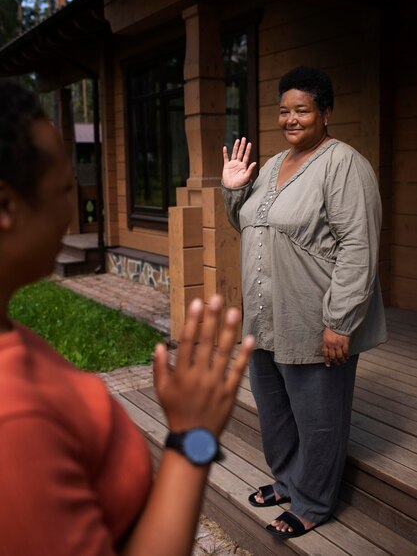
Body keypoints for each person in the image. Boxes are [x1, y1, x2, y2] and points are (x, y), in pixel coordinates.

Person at [0, 80, 255, 556]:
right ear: (6, 205)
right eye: (63, 188)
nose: (75, 206)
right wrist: (193, 438)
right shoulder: (12, 428)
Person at [221, 65, 387, 539]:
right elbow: (252, 224)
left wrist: (340, 321)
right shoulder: (272, 165)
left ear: (326, 112)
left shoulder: (344, 165)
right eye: (284, 111)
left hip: (313, 315)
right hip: (265, 315)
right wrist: (234, 192)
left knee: (318, 419)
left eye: (302, 110)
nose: (291, 119)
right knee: (275, 411)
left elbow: (359, 246)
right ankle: (287, 481)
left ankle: (313, 501)